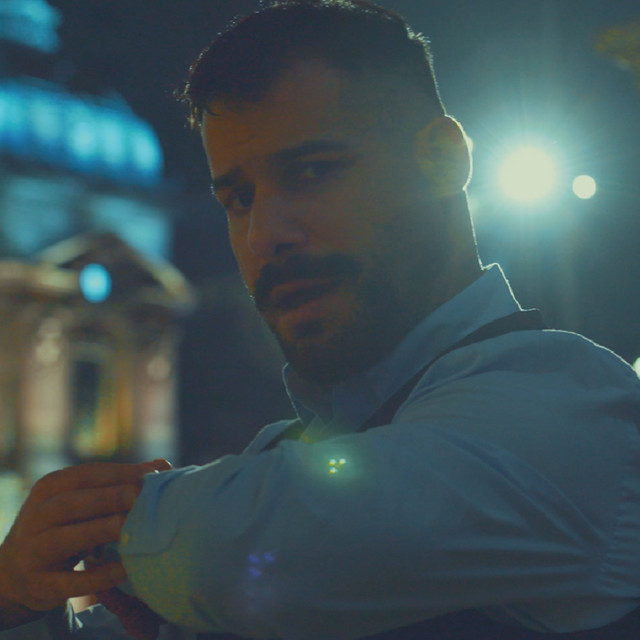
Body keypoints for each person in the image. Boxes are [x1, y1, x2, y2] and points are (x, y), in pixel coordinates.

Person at [2, 1, 640, 638]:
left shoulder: (566, 404)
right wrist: (17, 595)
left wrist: (84, 523)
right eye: (238, 198)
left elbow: (221, 555)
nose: (264, 235)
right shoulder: (286, 454)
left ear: (444, 159)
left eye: (312, 171)